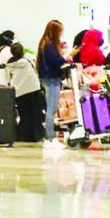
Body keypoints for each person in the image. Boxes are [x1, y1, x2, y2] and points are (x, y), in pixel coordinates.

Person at [37, 20, 70, 150]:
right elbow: (56, 61)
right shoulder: (49, 45)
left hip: (50, 78)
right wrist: (68, 55)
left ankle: (49, 137)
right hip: (51, 78)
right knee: (51, 109)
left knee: (51, 108)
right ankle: (50, 137)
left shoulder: (45, 43)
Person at [6, 43, 43, 142]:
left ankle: (24, 136)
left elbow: (7, 79)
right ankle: (36, 136)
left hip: (19, 92)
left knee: (24, 115)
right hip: (34, 88)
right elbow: (36, 71)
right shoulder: (28, 60)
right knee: (35, 114)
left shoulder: (9, 64)